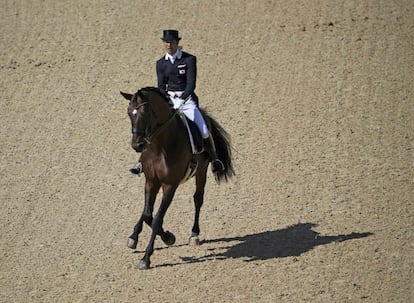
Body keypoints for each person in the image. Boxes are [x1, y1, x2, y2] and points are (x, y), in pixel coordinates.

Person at [130, 29, 224, 176]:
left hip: (186, 100)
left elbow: (191, 84)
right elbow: (161, 86)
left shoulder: (189, 60)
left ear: (177, 43)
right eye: (166, 42)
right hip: (169, 99)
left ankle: (214, 159)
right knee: (152, 126)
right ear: (164, 43)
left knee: (204, 128)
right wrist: (166, 100)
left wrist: (181, 99)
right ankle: (142, 162)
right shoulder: (160, 63)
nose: (169, 45)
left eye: (172, 42)